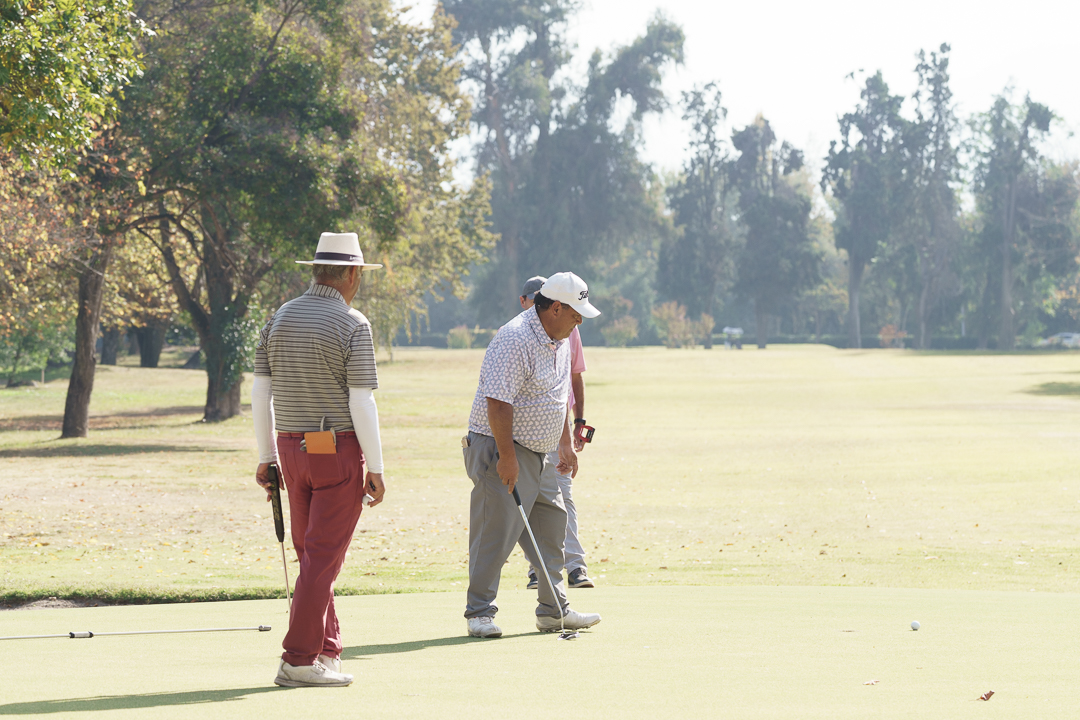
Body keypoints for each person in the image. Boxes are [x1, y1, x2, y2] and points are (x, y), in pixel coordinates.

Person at [252, 231, 387, 687]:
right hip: (336, 449)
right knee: (321, 559)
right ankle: (298, 659)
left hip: (290, 450)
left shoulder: (279, 317)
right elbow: (361, 401)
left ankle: (326, 650)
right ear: (351, 273)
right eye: (359, 274)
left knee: (312, 556)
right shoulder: (353, 323)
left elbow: (261, 393)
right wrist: (376, 467)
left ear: (316, 270)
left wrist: (266, 455)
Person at [463, 271, 602, 639]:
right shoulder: (515, 338)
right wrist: (507, 458)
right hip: (500, 446)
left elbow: (557, 397)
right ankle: (479, 613)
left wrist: (564, 443)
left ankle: (554, 611)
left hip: (541, 453)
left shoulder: (561, 338)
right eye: (575, 314)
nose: (579, 322)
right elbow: (498, 403)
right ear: (555, 308)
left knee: (551, 528)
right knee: (495, 531)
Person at [516, 276, 594, 591]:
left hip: (556, 431)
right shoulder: (517, 335)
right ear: (525, 301)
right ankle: (539, 569)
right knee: (530, 502)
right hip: (525, 434)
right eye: (534, 297)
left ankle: (574, 566)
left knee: (564, 498)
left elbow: (572, 381)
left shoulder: (568, 329)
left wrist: (578, 423)